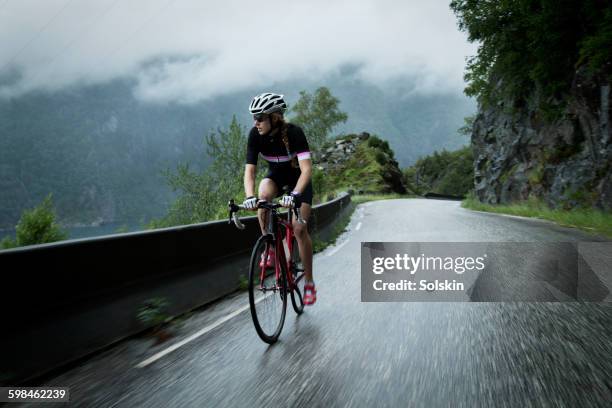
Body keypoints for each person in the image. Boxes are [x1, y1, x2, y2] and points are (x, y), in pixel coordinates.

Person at [243, 92, 316, 305]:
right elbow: (250, 172)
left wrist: (295, 195)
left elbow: (306, 170)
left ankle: (309, 282)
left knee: (299, 229)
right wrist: (249, 197)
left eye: (260, 117)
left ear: (275, 117)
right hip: (275, 177)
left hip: (298, 181)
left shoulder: (294, 133)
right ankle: (271, 246)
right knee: (263, 195)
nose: (256, 122)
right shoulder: (255, 135)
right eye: (254, 117)